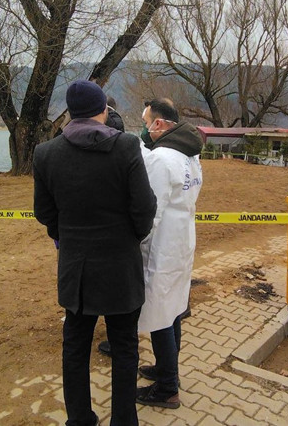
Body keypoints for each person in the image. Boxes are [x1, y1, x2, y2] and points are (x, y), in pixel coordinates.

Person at [33, 80, 157, 426]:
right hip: (121, 266)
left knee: (75, 347)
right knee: (124, 347)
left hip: (77, 269)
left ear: (71, 113)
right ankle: (123, 420)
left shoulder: (46, 153)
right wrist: (130, 237)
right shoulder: (126, 146)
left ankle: (79, 420)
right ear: (104, 110)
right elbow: (144, 209)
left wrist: (67, 238)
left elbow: (44, 213)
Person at [133, 98, 203, 409]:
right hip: (182, 241)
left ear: (159, 123)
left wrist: (137, 242)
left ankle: (167, 388)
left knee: (161, 314)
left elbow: (152, 210)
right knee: (173, 308)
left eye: (146, 123)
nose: (144, 129)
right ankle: (166, 368)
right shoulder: (191, 154)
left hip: (163, 246)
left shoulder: (161, 159)